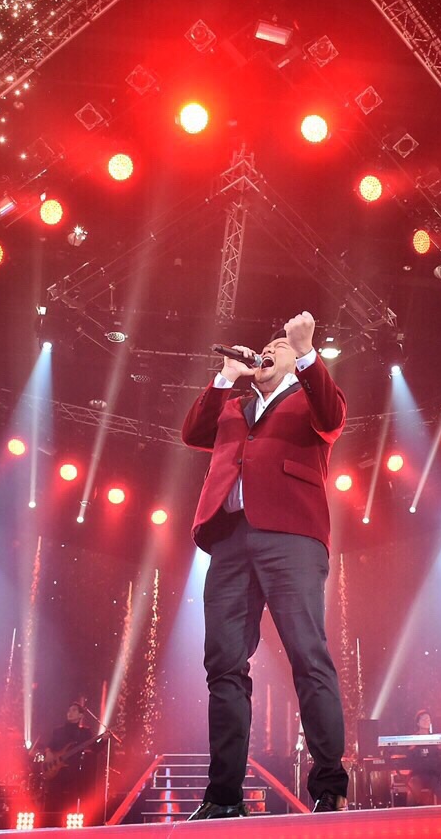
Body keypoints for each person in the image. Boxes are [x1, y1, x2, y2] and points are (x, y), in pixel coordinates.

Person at [180, 311, 349, 818]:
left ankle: (330, 786)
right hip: (230, 537)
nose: (269, 351)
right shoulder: (235, 405)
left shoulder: (309, 398)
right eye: (266, 346)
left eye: (280, 347)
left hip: (291, 534)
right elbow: (193, 433)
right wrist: (225, 377)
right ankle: (223, 797)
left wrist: (306, 351)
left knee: (307, 654)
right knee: (223, 664)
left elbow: (332, 416)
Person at [404, 710, 441, 806]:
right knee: (412, 792)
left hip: (433, 774)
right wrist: (412, 747)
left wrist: (440, 747)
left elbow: (440, 757)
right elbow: (408, 757)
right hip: (417, 774)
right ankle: (412, 814)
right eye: (423, 719)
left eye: (428, 719)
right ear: (418, 723)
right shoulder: (412, 739)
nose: (426, 721)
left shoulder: (435, 738)